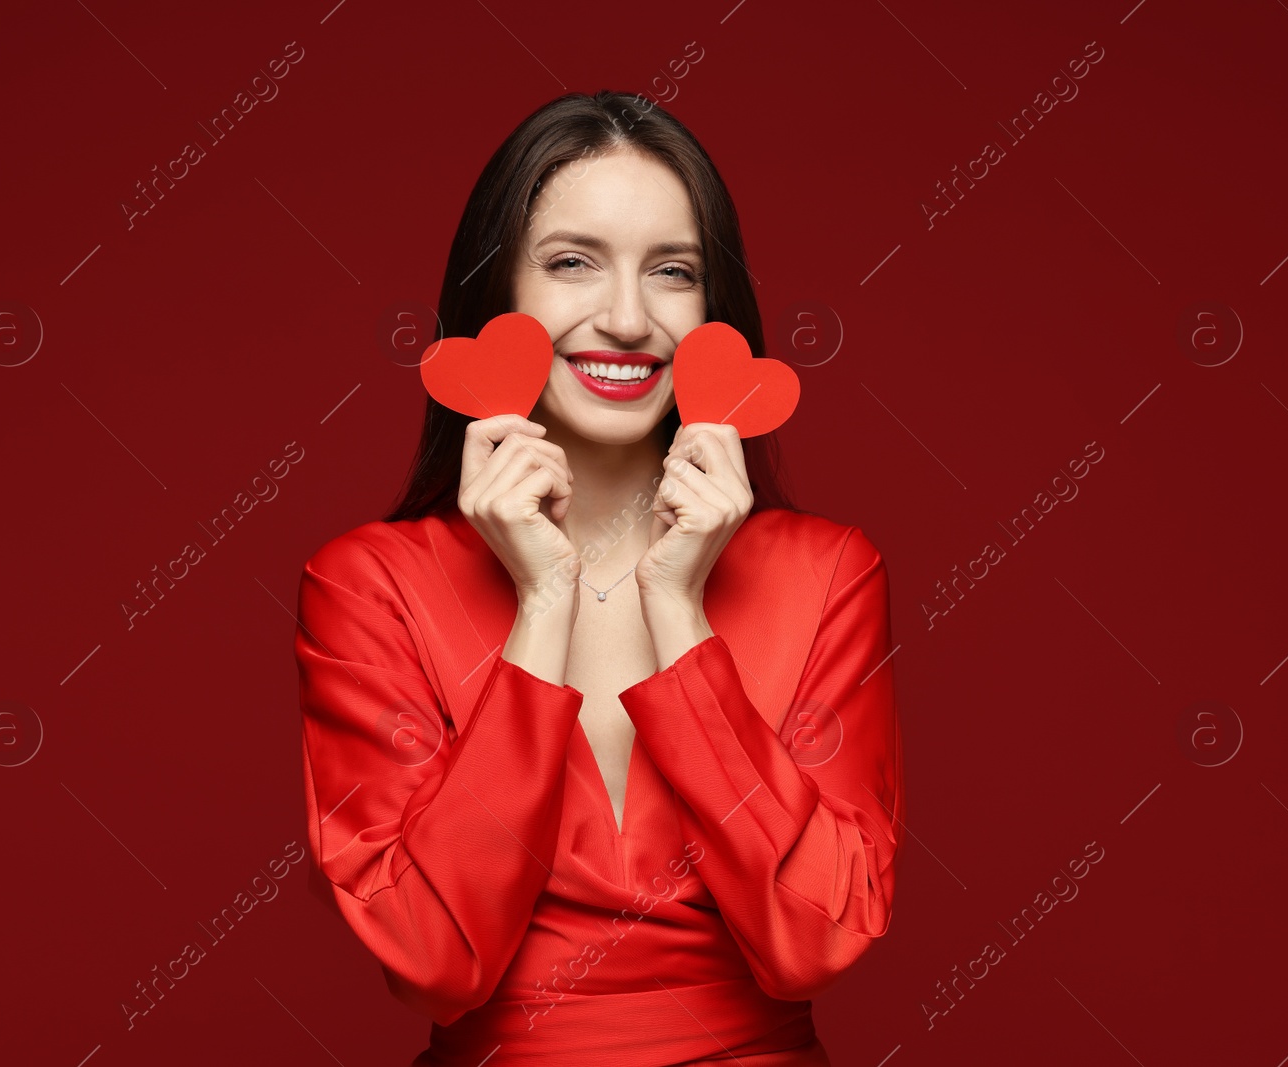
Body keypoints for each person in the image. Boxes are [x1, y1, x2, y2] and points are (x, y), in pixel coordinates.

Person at [295, 89, 904, 1066]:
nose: (626, 319)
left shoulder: (827, 571)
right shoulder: (367, 585)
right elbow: (432, 961)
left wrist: (677, 609)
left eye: (672, 271)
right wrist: (542, 604)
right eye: (571, 262)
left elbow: (816, 939)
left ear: (715, 310)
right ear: (497, 294)